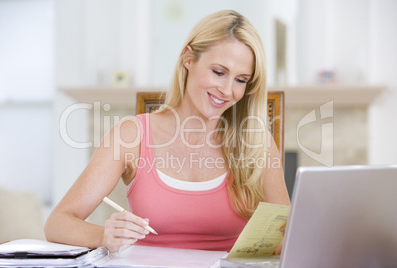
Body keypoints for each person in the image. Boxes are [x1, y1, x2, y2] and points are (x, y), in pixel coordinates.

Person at [45, 9, 290, 254]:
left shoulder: (257, 142)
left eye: (241, 80)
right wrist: (103, 235)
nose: (227, 90)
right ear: (188, 59)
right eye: (219, 72)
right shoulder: (131, 136)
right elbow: (58, 223)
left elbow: (288, 235)